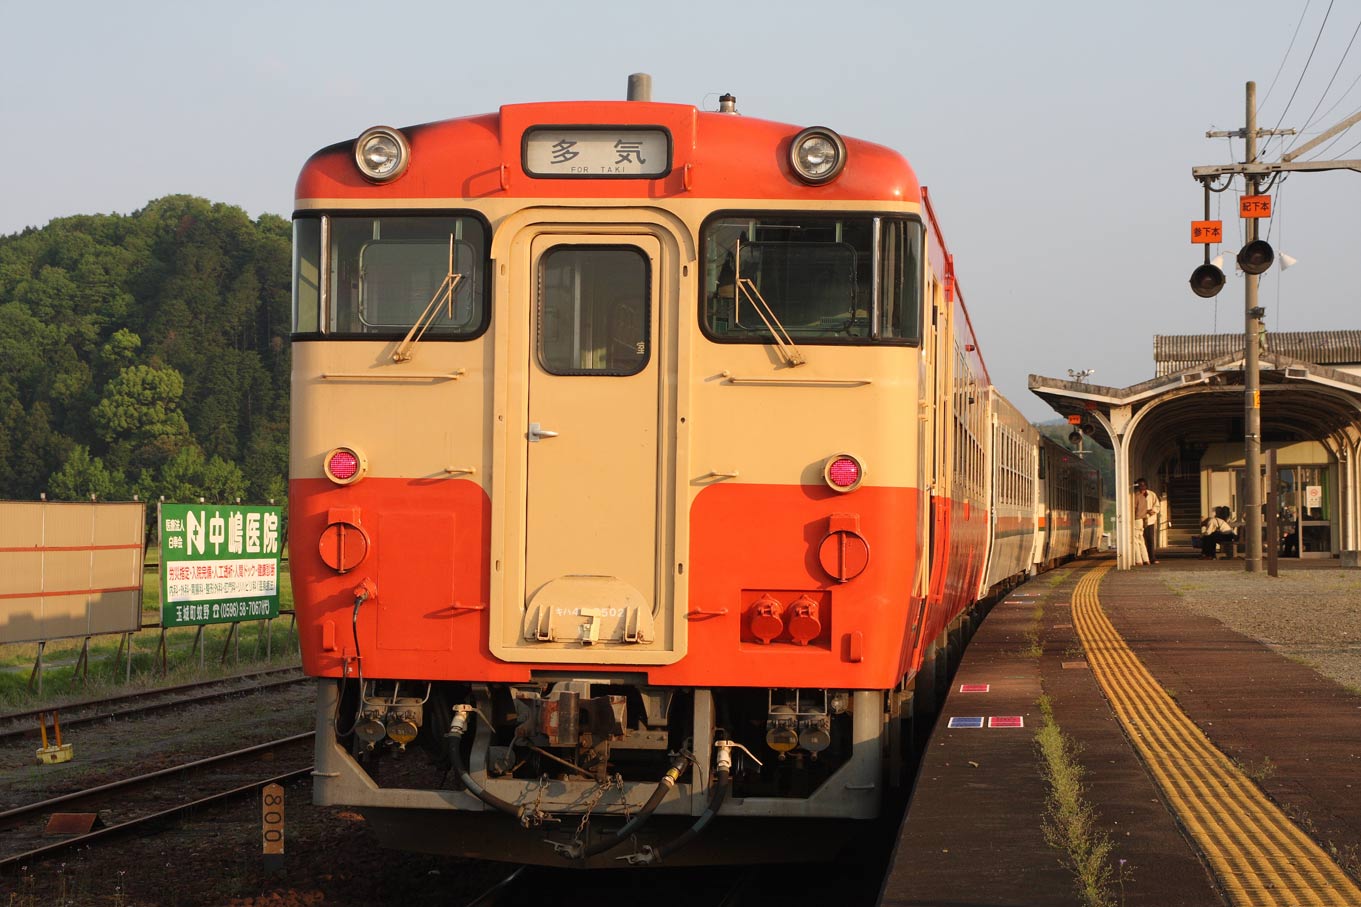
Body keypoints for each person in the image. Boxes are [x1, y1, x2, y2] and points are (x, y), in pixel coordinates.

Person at [1133, 478, 1160, 564]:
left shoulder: (1151, 494)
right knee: (1142, 539)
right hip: (1141, 519)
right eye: (1140, 485)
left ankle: (1151, 558)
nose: (1142, 487)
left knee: (1149, 539)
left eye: (1143, 485)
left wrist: (1152, 511)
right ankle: (1145, 559)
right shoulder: (1136, 495)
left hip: (1149, 520)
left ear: (1146, 486)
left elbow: (1157, 506)